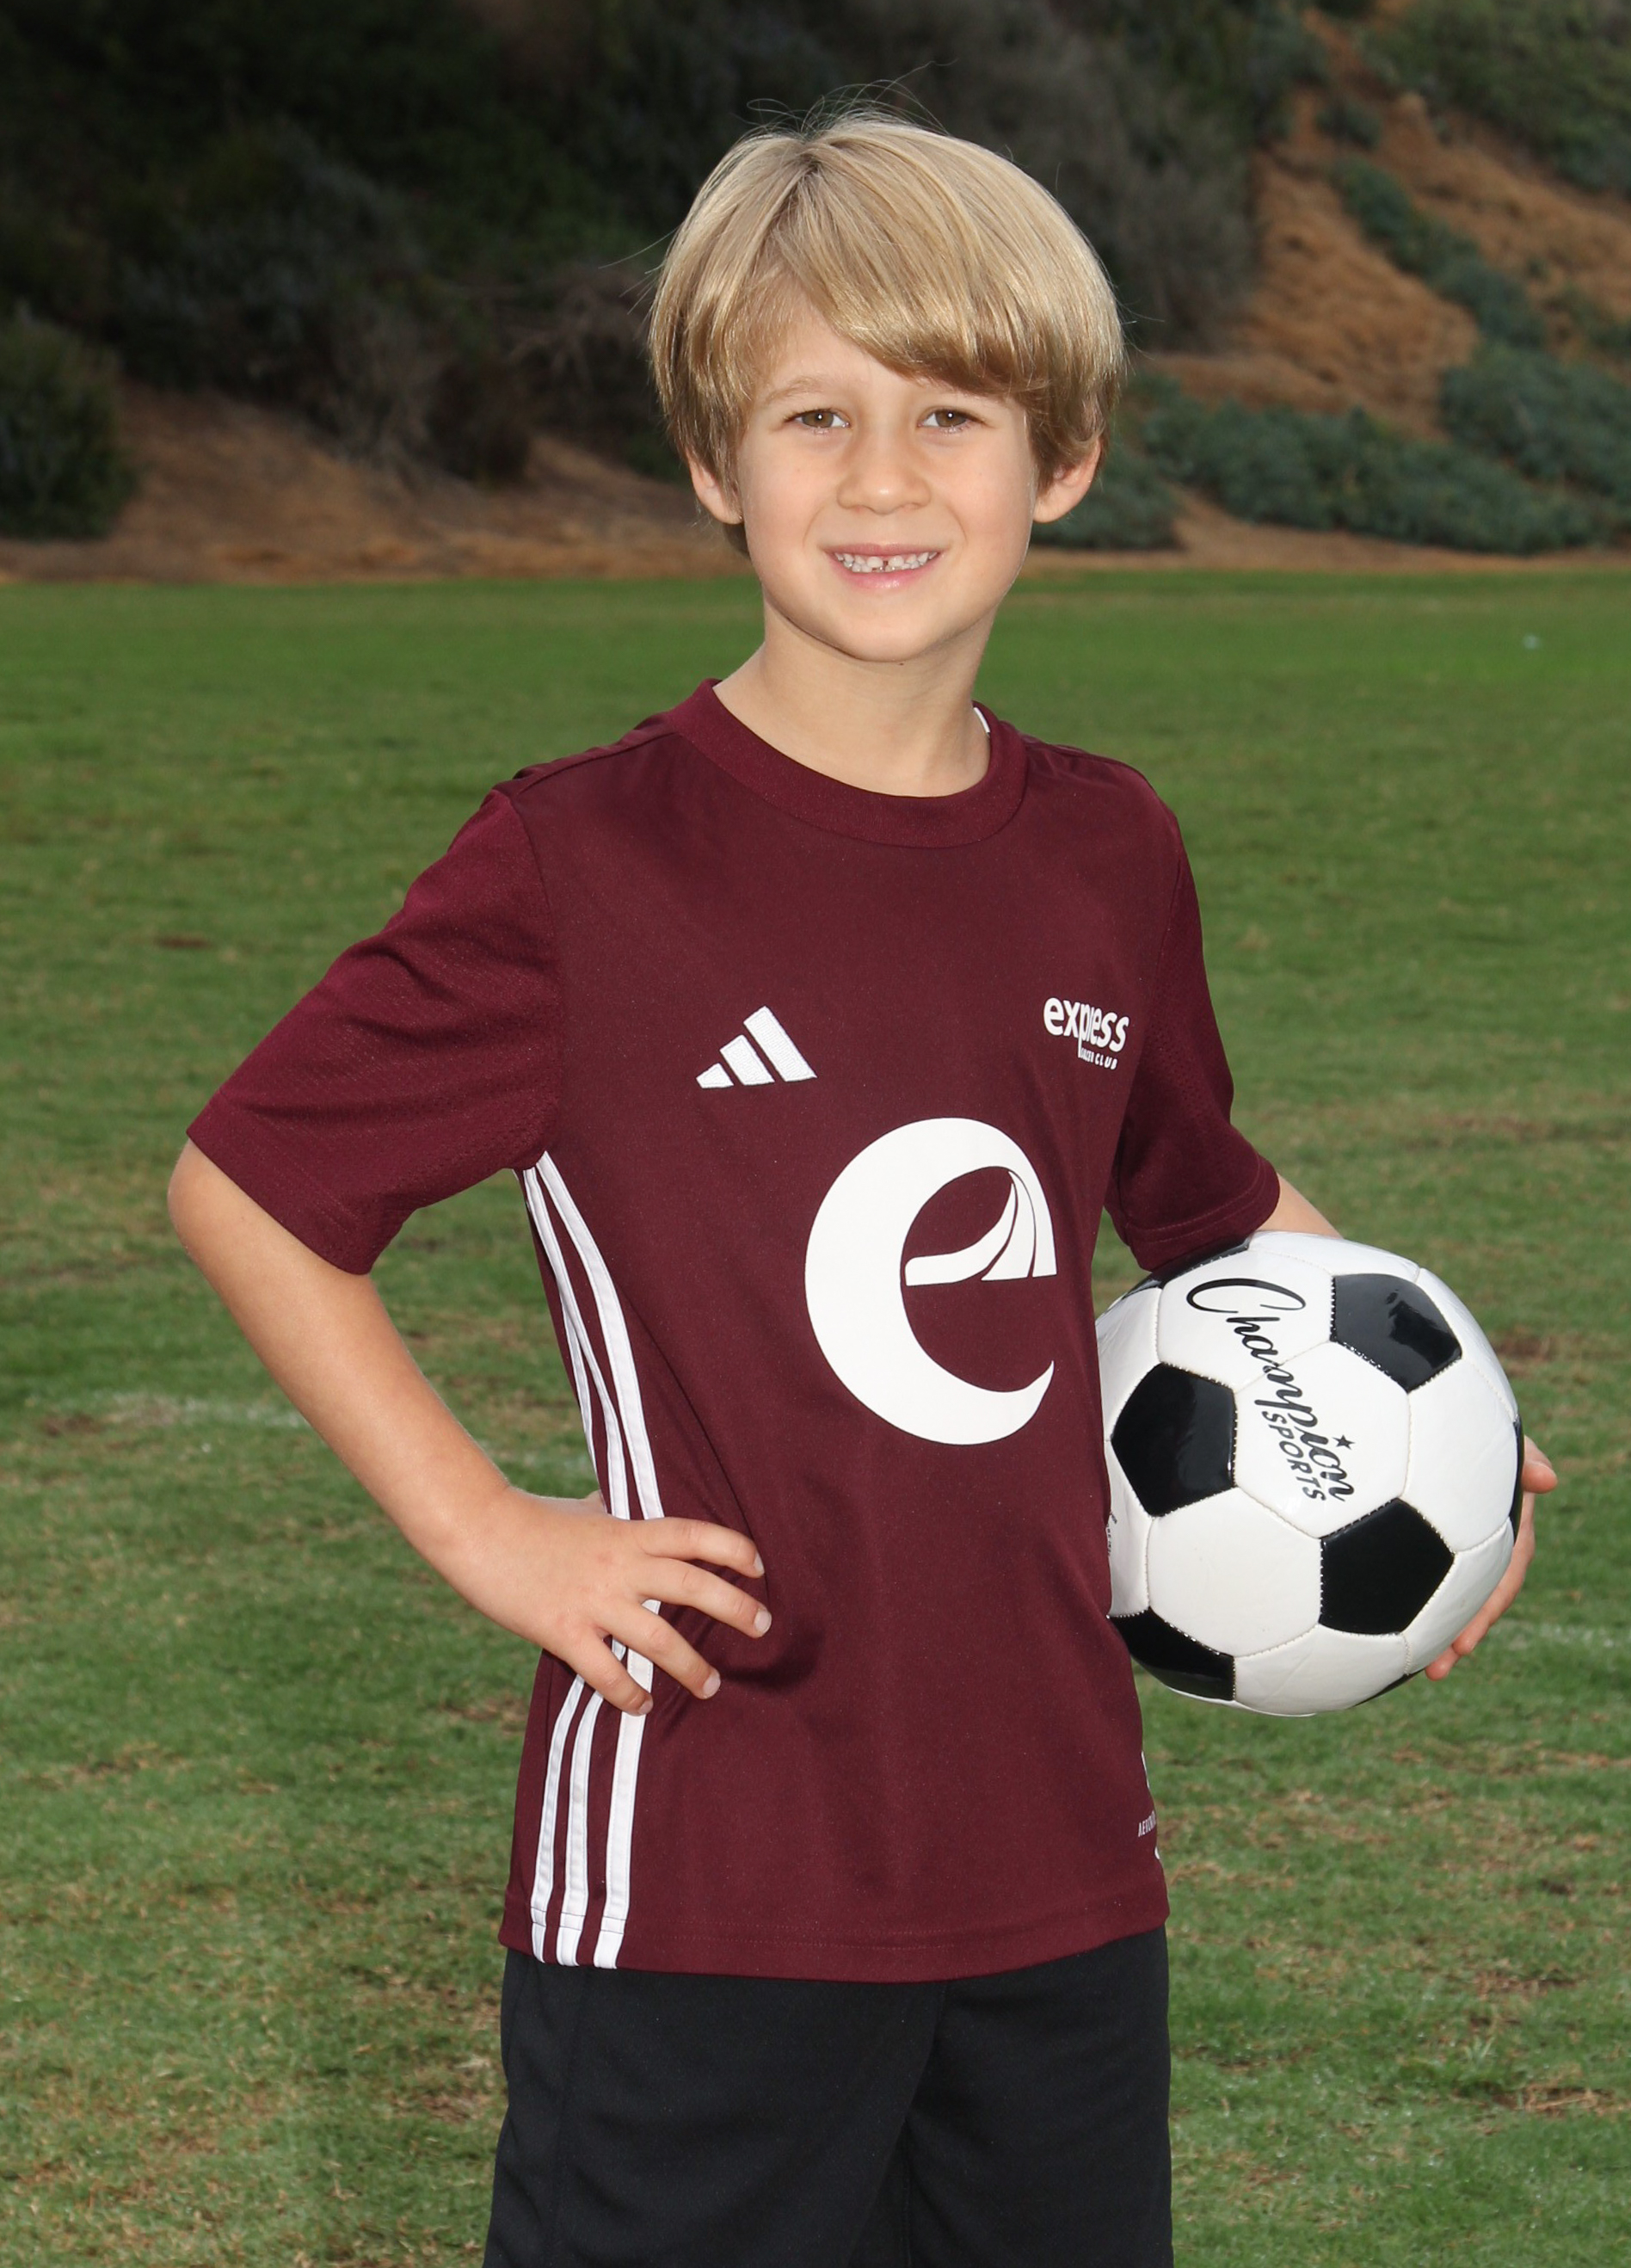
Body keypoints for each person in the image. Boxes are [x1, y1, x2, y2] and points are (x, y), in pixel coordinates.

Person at [168, 114, 1555, 2268]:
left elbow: (1206, 1203)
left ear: (1063, 460)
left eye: (949, 416)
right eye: (814, 416)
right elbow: (254, 1184)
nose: (883, 478)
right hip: (707, 1867)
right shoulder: (585, 861)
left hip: (1060, 1860)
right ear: (715, 461)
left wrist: (1438, 1431)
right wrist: (491, 1528)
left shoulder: (1105, 853)